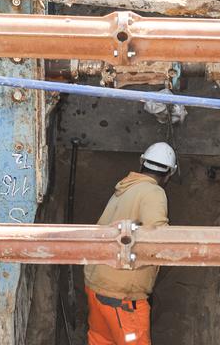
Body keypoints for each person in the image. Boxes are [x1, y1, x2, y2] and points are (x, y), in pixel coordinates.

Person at [84, 142, 177, 345]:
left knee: (100, 340)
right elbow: (158, 235)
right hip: (122, 296)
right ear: (169, 174)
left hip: (97, 286)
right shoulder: (153, 192)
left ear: (142, 162)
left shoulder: (123, 191)